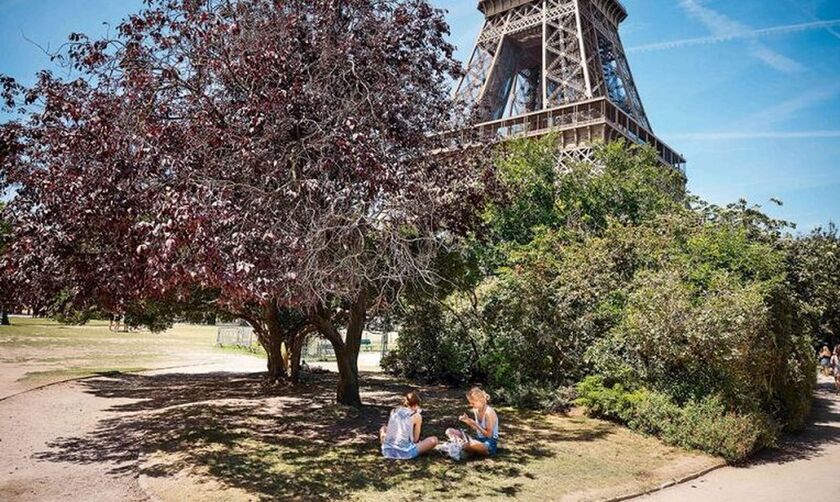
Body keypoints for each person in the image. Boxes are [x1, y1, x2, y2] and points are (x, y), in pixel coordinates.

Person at [379, 391, 438, 460]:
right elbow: (416, 439)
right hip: (405, 453)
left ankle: (388, 445)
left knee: (384, 428)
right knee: (434, 440)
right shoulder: (416, 416)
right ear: (416, 405)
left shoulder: (394, 411)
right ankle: (403, 448)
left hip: (387, 451)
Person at [447, 387, 499, 458]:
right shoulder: (476, 410)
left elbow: (489, 435)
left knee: (471, 444)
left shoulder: (489, 412)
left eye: (473, 403)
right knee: (449, 431)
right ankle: (462, 446)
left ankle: (460, 447)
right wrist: (467, 421)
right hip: (478, 439)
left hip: (489, 442)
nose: (471, 405)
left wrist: (475, 423)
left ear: (480, 400)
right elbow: (476, 429)